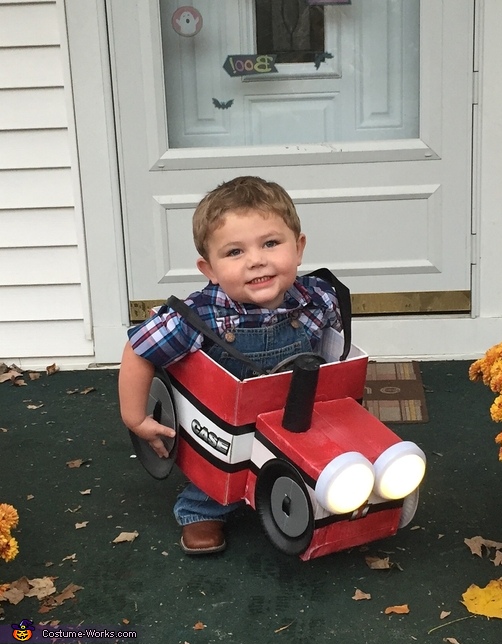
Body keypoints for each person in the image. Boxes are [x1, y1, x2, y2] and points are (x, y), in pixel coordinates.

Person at [118, 176, 343, 555]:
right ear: (209, 269)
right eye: (234, 252)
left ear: (299, 248)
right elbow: (139, 348)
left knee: (319, 468)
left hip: (295, 411)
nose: (257, 260)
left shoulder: (318, 299)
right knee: (226, 473)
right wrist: (135, 417)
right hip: (228, 425)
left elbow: (334, 353)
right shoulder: (198, 316)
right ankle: (198, 510)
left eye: (271, 243)